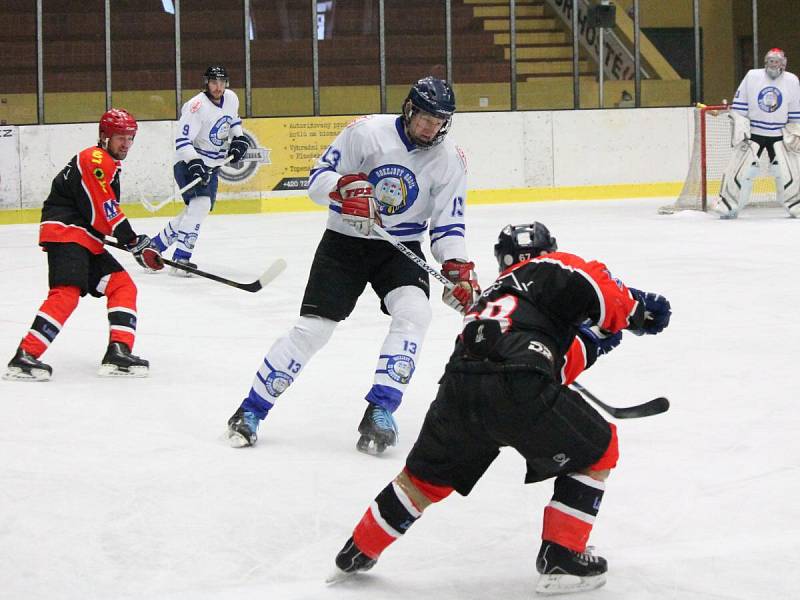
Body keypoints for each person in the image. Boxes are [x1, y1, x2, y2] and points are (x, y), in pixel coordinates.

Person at [329, 222, 672, 595]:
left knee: (421, 482)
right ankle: (562, 556)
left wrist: (591, 343)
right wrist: (638, 311)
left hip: (459, 389)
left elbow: (544, 358)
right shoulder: (557, 265)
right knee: (598, 449)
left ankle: (358, 550)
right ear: (550, 249)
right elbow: (601, 291)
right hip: (519, 384)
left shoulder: (491, 297)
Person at [225, 76, 480, 454]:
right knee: (313, 330)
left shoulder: (449, 160)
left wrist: (455, 264)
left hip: (399, 247)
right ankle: (251, 410)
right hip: (344, 244)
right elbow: (316, 180)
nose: (430, 126)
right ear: (410, 109)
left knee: (414, 313)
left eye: (439, 120)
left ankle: (381, 408)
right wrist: (344, 187)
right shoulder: (366, 133)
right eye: (425, 116)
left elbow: (448, 223)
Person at [3, 109, 163, 382]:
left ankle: (118, 352)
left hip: (84, 239)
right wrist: (133, 241)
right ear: (104, 137)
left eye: (130, 138)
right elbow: (104, 208)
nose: (125, 144)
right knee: (66, 292)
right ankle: (25, 356)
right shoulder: (96, 158)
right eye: (119, 137)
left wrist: (135, 244)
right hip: (67, 234)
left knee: (122, 285)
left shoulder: (108, 162)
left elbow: (97, 217)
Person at [149, 65, 249, 274]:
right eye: (214, 82)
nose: (218, 86)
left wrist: (238, 138)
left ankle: (155, 246)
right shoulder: (196, 106)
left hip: (211, 164)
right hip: (187, 161)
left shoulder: (231, 98)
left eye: (222, 82)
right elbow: (183, 140)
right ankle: (181, 259)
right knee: (201, 204)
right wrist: (195, 163)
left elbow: (233, 121)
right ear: (206, 83)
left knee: (194, 209)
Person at [712, 48, 800, 218]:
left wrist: (796, 131)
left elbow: (795, 111)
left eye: (777, 61)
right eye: (771, 61)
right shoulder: (752, 76)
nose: (774, 65)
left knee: (788, 172)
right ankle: (728, 206)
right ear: (765, 62)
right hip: (754, 133)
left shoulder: (792, 81)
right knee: (741, 171)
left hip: (780, 135)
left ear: (784, 63)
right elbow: (740, 107)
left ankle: (795, 205)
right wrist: (740, 125)